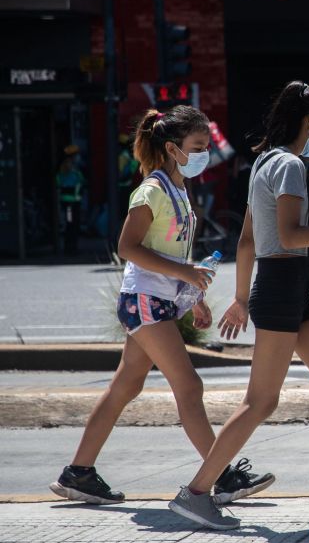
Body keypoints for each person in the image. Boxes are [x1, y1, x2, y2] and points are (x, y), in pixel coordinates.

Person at [49, 106, 270, 506]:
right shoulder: (151, 190)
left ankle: (78, 472)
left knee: (126, 385)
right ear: (172, 148)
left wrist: (194, 296)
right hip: (144, 302)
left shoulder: (178, 190)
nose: (204, 154)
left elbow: (172, 252)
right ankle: (222, 477)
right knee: (189, 386)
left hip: (156, 302)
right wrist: (186, 274)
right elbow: (127, 247)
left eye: (205, 146)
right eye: (197, 147)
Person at [168, 82, 309, 530]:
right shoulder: (289, 165)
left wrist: (241, 298)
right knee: (260, 402)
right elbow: (290, 236)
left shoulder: (265, 162)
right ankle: (196, 493)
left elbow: (248, 239)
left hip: (284, 286)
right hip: (284, 285)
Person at [56, 144, 86, 255]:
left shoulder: (72, 167)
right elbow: (64, 182)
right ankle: (69, 248)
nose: (78, 157)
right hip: (69, 203)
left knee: (73, 224)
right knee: (70, 224)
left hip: (74, 202)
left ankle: (72, 247)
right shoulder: (67, 167)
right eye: (76, 155)